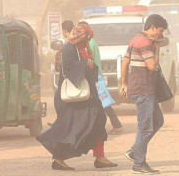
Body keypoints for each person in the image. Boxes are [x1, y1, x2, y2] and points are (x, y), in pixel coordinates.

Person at [37, 22, 118, 171]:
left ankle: (100, 157)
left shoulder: (82, 48)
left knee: (99, 120)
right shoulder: (69, 47)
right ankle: (55, 153)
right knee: (71, 128)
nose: (88, 41)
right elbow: (67, 68)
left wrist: (89, 61)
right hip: (74, 99)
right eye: (86, 38)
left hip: (88, 96)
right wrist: (84, 63)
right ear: (80, 36)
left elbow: (89, 67)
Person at [120, 14, 168, 174]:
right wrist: (158, 48)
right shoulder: (147, 43)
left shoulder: (135, 40)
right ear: (152, 27)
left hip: (140, 88)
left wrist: (124, 83)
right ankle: (139, 163)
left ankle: (135, 151)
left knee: (158, 120)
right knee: (145, 128)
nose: (160, 34)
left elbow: (125, 62)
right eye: (160, 30)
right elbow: (152, 66)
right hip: (144, 89)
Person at [87, 25, 123, 134]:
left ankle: (116, 124)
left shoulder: (89, 43)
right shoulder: (93, 41)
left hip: (95, 76)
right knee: (103, 102)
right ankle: (115, 124)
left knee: (104, 102)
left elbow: (89, 58)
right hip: (98, 75)